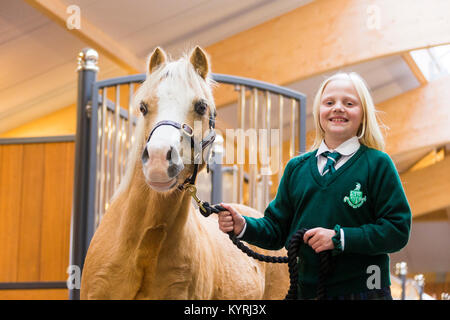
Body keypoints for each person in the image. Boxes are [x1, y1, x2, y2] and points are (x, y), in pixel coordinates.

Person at [218, 72, 412, 300]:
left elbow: (397, 230)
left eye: (349, 103)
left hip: (365, 289)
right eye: (329, 102)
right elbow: (276, 229)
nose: (338, 108)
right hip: (307, 292)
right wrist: (243, 226)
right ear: (319, 112)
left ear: (363, 115)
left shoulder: (377, 164)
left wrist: (339, 238)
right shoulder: (296, 169)